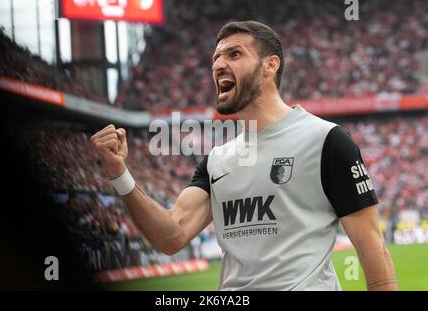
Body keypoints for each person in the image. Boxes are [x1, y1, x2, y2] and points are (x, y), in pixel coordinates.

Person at [90, 21, 397, 291]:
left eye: (234, 54)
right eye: (216, 58)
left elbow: (372, 247)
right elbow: (172, 236)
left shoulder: (327, 140)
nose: (219, 64)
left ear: (270, 65)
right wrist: (120, 174)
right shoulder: (217, 160)